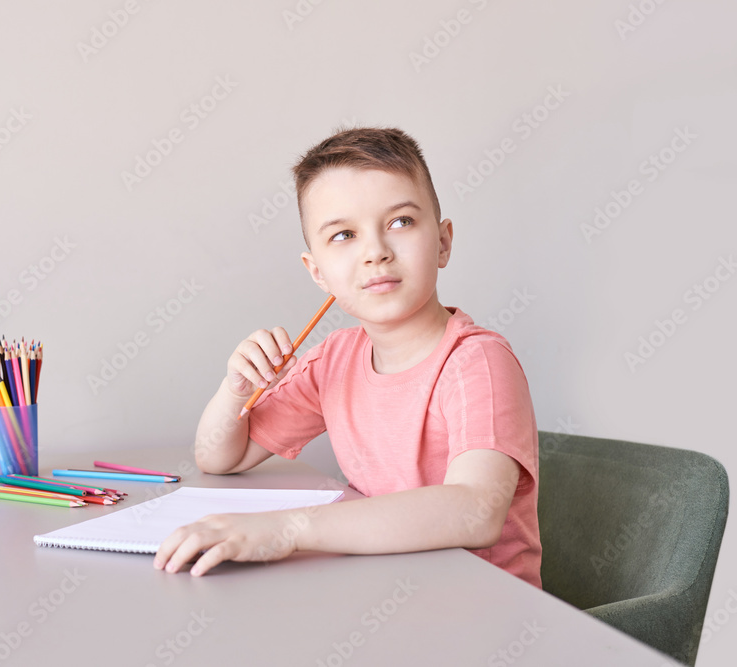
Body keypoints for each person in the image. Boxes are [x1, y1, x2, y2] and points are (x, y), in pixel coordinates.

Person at [153, 126, 542, 587]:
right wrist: (235, 389)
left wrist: (288, 530)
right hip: (386, 593)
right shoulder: (334, 362)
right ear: (317, 271)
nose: (375, 252)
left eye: (400, 222)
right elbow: (220, 458)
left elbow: (474, 511)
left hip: (484, 614)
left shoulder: (478, 362)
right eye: (343, 235)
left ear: (442, 243)